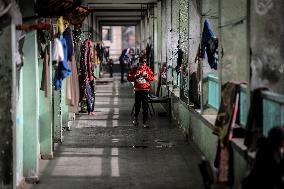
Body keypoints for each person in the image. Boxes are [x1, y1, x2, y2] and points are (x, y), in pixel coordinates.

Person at [127, 56, 154, 128]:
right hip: (138, 90)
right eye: (143, 62)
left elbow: (152, 78)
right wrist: (136, 76)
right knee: (137, 106)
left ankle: (145, 122)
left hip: (145, 90)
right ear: (140, 62)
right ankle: (135, 119)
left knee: (145, 107)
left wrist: (146, 76)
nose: (144, 64)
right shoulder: (135, 69)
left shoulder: (147, 69)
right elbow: (129, 77)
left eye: (145, 62)